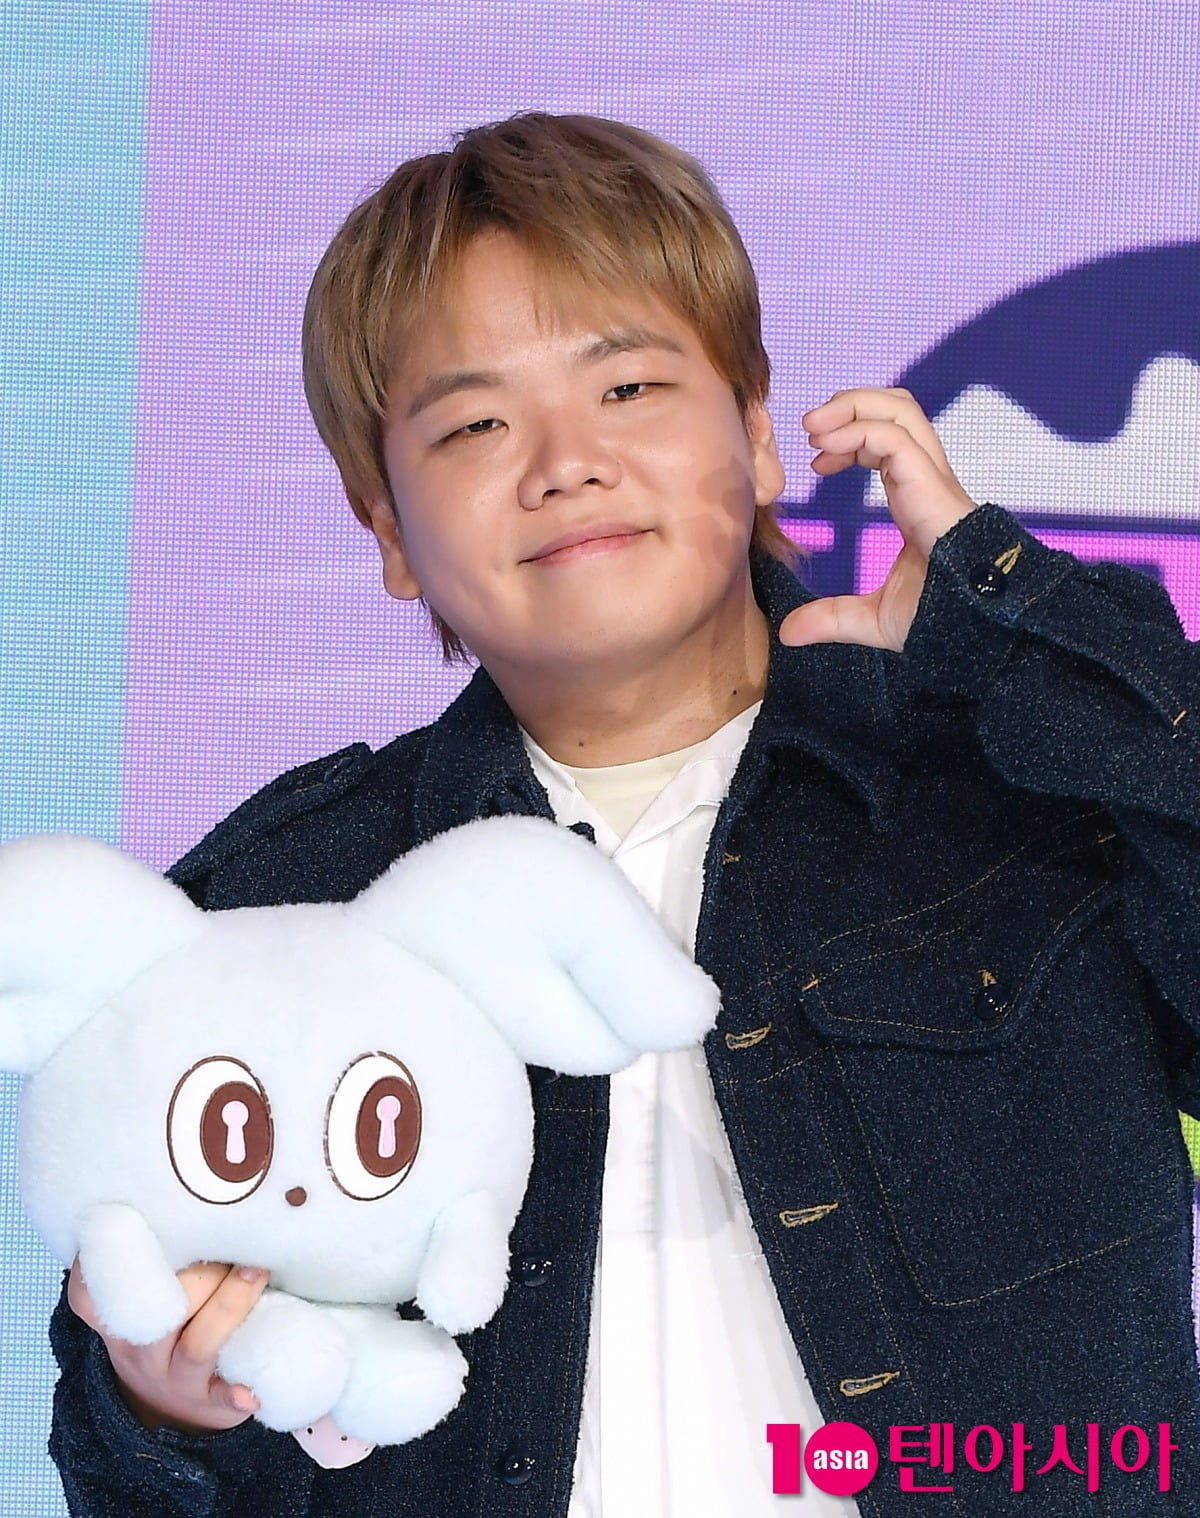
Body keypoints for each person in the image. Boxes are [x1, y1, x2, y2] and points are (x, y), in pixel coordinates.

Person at [47, 113, 1200, 1517]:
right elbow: (127, 1468)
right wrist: (170, 1404)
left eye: (631, 386)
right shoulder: (270, 912)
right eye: (475, 424)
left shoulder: (1024, 787)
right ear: (390, 531)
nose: (564, 461)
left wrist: (1013, 628)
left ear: (759, 438)